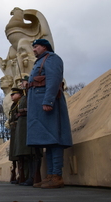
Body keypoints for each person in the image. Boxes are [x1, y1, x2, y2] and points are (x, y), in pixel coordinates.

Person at [27, 39, 73, 189]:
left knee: (55, 139)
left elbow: (54, 79)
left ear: (44, 47)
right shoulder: (40, 61)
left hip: (48, 104)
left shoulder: (52, 58)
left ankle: (57, 176)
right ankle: (50, 175)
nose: (34, 50)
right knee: (48, 141)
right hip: (39, 106)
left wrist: (48, 101)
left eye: (36, 46)